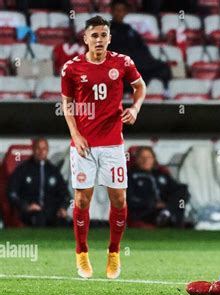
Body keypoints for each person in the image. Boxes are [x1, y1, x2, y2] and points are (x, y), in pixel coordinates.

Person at [61, 15, 147, 279]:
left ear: (109, 38)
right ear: (85, 38)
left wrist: (135, 107)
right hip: (84, 145)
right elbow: (67, 104)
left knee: (119, 199)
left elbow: (140, 87)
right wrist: (76, 135)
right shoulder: (71, 68)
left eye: (103, 35)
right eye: (94, 35)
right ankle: (82, 253)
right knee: (82, 199)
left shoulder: (122, 62)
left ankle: (113, 252)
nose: (99, 40)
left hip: (112, 143)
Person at [7, 137, 69, 227]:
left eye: (44, 149)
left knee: (64, 223)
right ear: (33, 149)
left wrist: (63, 207)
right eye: (38, 148)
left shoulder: (53, 171)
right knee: (39, 219)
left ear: (47, 151)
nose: (41, 151)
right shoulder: (23, 169)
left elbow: (65, 194)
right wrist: (26, 206)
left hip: (52, 212)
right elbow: (11, 192)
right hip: (31, 213)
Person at [108, 0, 171, 87]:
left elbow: (142, 48)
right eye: (117, 10)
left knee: (163, 68)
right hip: (119, 65)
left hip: (137, 62)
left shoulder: (129, 30)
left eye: (122, 10)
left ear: (126, 12)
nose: (119, 13)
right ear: (112, 11)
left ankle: (166, 93)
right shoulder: (106, 30)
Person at [127, 147, 190, 228]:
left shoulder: (161, 174)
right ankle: (168, 216)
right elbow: (130, 199)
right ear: (136, 160)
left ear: (154, 159)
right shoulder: (131, 176)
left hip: (166, 207)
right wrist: (153, 204)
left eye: (149, 157)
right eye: (142, 157)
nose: (146, 160)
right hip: (146, 211)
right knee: (170, 212)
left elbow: (177, 190)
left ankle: (167, 213)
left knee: (183, 190)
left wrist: (168, 205)